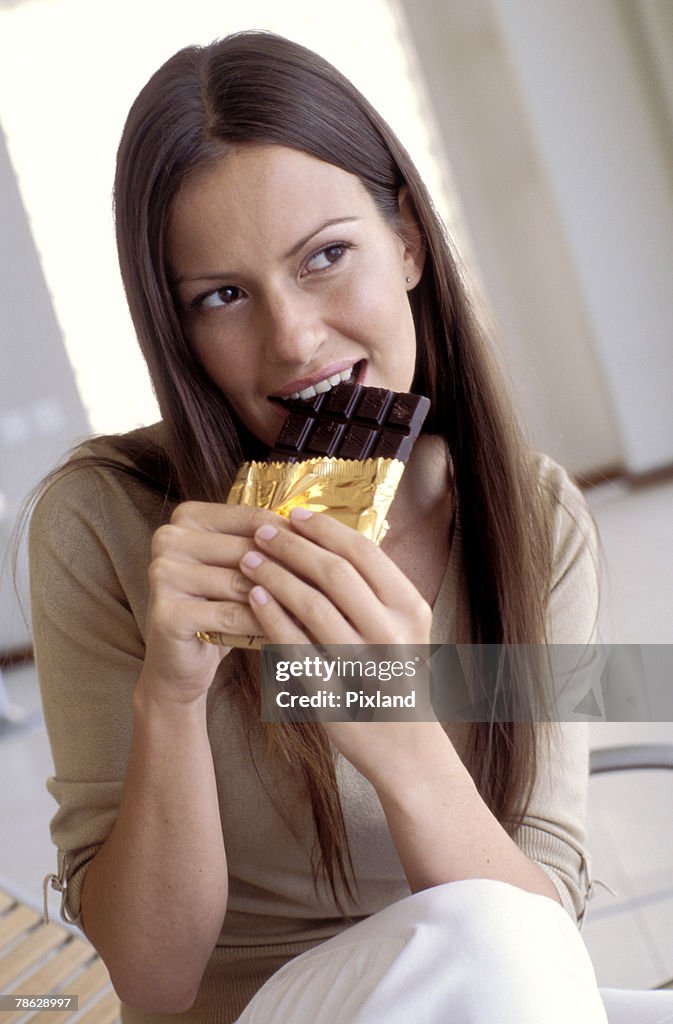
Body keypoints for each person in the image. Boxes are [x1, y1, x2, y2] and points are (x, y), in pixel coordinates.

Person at [30, 30, 610, 1024]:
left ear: (410, 246)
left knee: (500, 937)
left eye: (327, 256)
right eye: (221, 296)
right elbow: (141, 988)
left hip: (493, 984)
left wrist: (398, 730)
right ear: (179, 332)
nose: (293, 339)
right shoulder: (104, 523)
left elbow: (543, 920)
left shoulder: (535, 518)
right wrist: (171, 695)